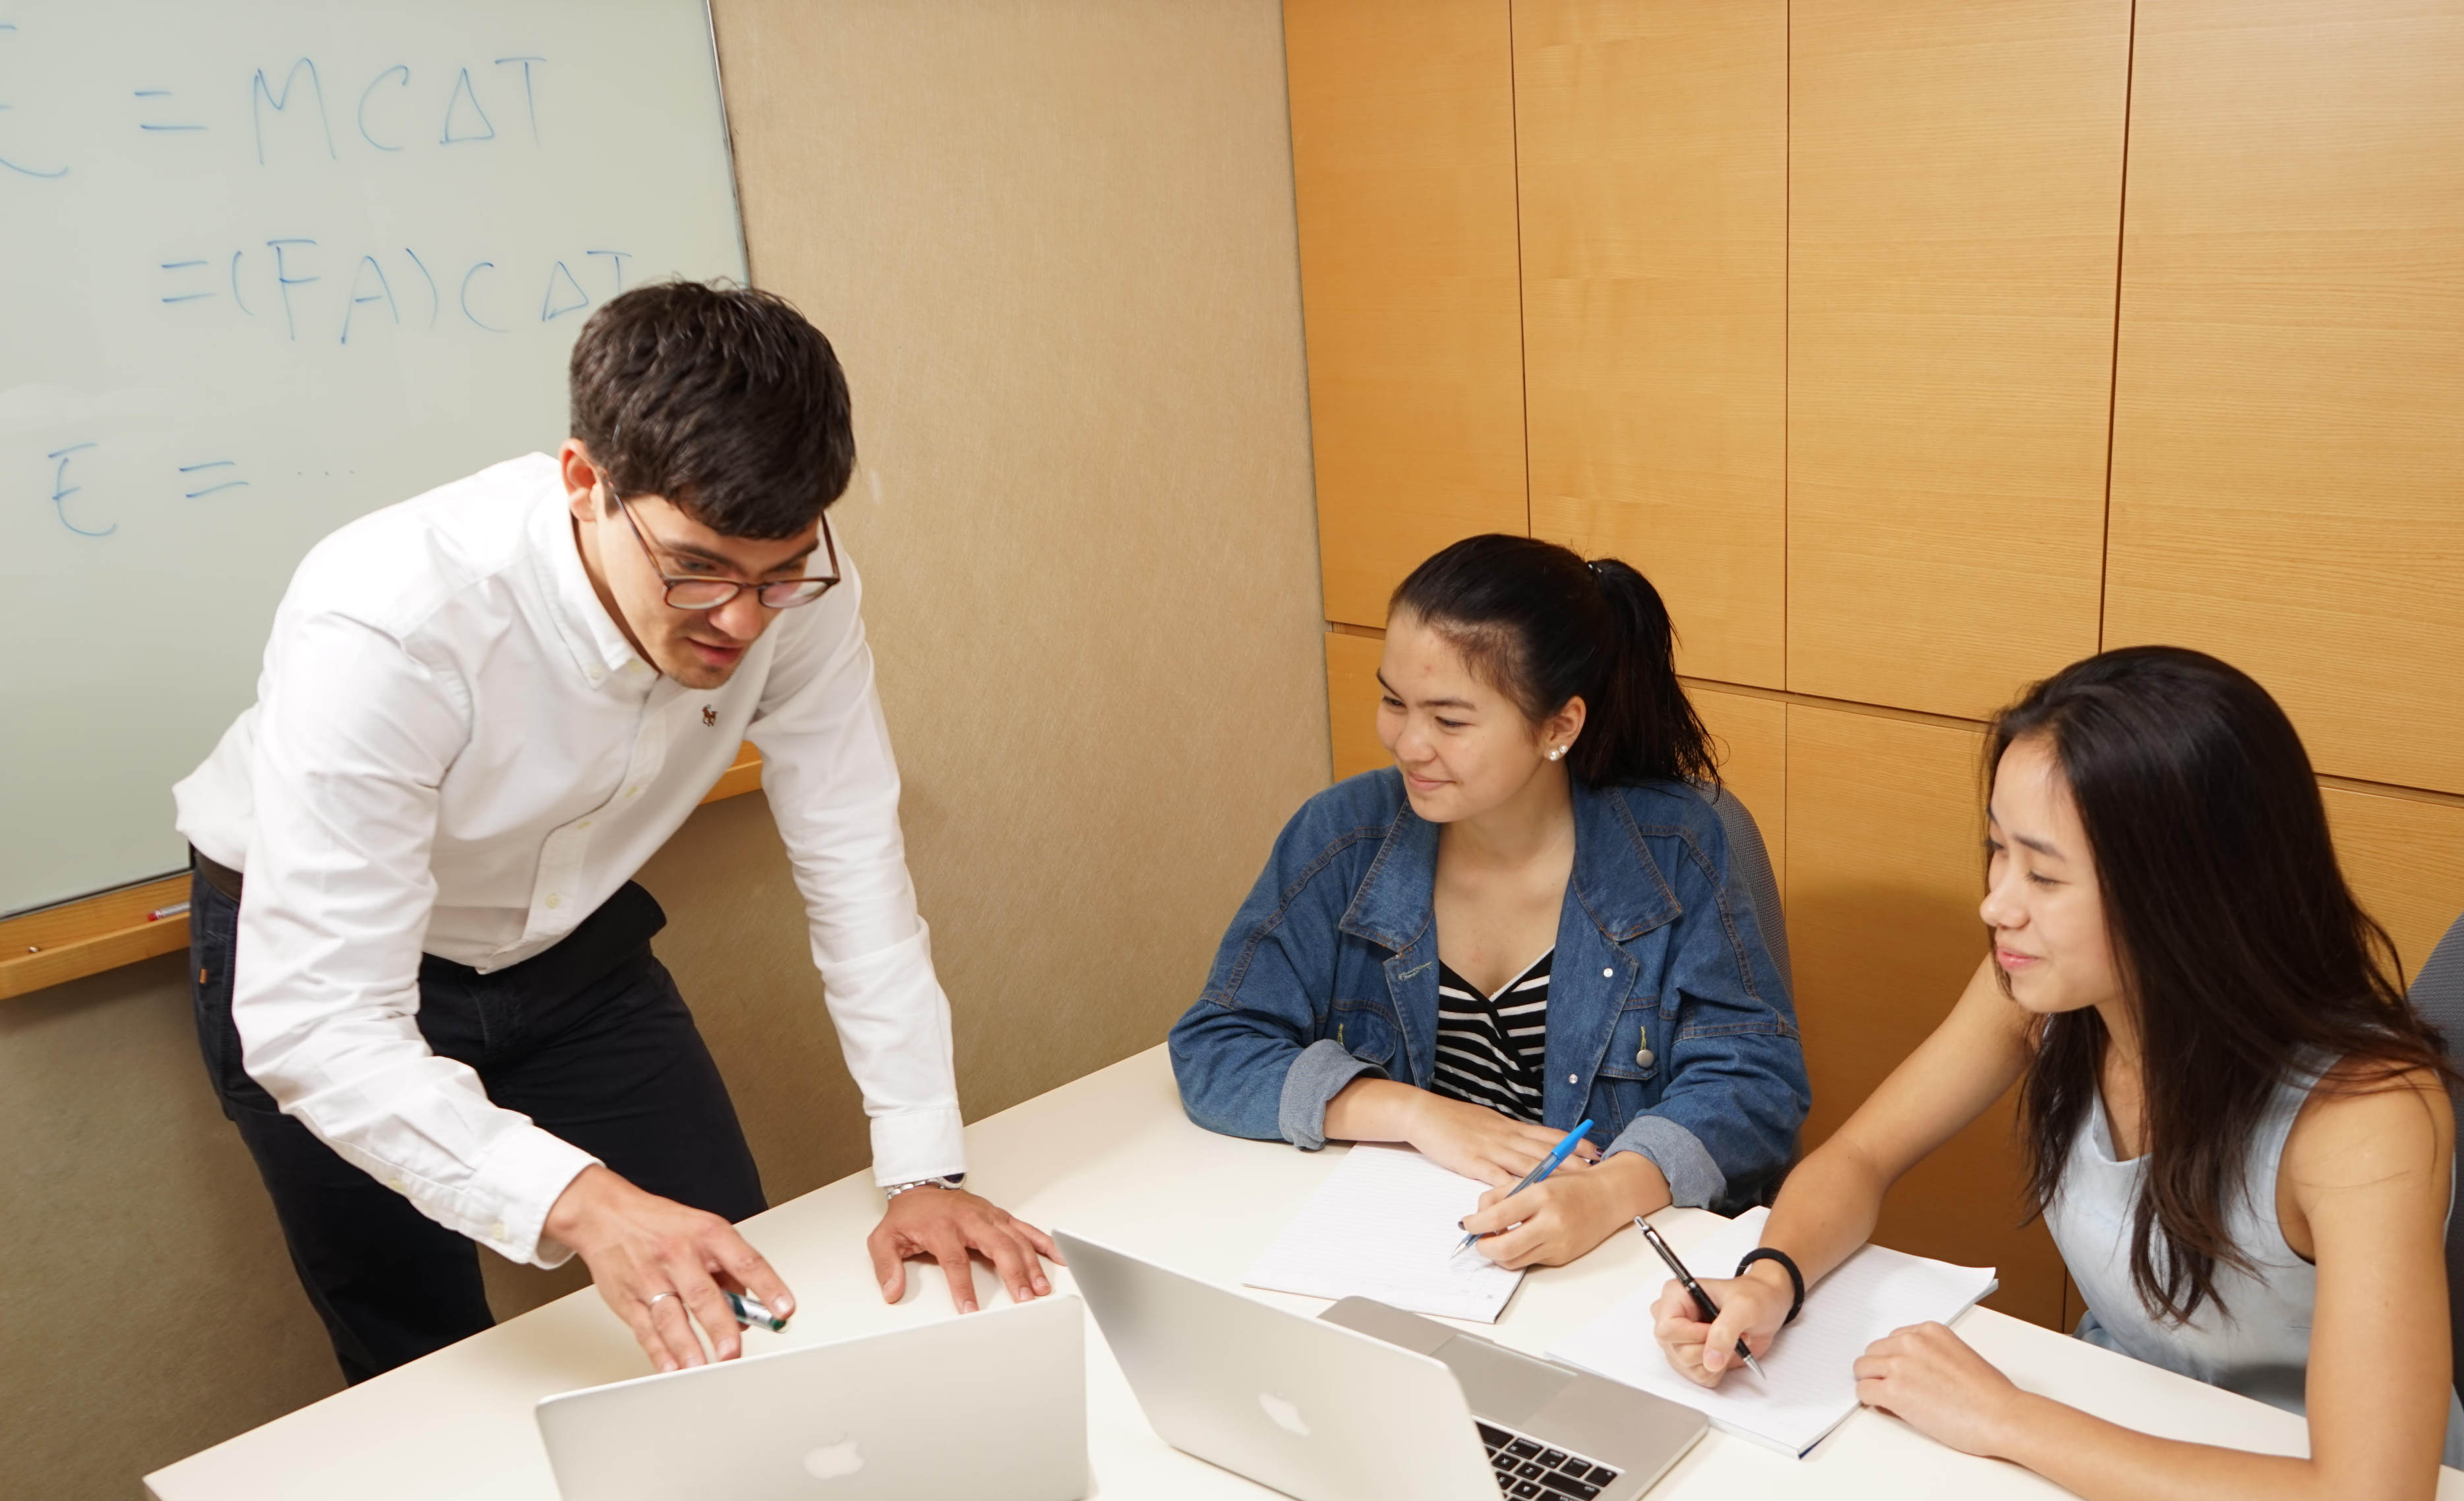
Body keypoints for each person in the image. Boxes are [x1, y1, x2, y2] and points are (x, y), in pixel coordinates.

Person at [175, 281, 1058, 1384]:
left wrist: (923, 1169)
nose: (741, 619)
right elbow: (318, 1022)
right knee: (421, 1359)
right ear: (584, 483)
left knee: (739, 1286)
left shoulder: (796, 585)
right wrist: (584, 1205)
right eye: (696, 570)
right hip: (327, 963)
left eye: (779, 573)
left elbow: (853, 859)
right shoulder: (391, 619)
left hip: (573, 948)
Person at [1654, 646, 2464, 1501]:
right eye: (1997, 850)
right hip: (2116, 1454)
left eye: (2043, 873)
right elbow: (1862, 1156)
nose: (1996, 903)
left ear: (2188, 892)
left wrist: (2009, 1419)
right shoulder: (2043, 990)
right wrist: (1768, 1280)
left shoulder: (2366, 1114)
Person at [1171, 534, 1809, 1266]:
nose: (1408, 744)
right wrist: (1412, 1113)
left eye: (1449, 720)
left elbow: (1754, 1081)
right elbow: (1218, 1045)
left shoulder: (1673, 848)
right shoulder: (1344, 835)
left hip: (1611, 1263)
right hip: (1411, 1249)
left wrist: (1609, 1192)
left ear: (1558, 727)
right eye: (1393, 701)